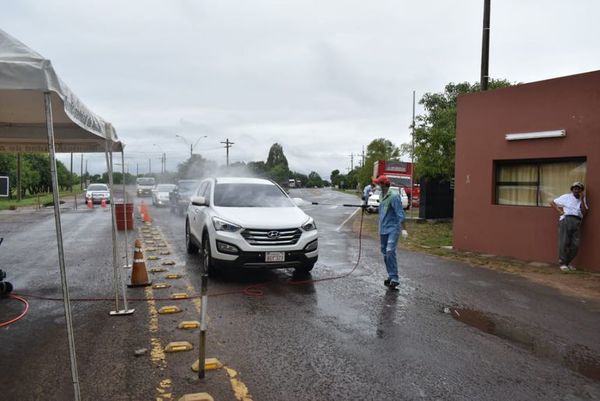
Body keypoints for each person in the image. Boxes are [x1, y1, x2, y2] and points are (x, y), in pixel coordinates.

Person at [375, 175, 408, 290]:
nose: (377, 186)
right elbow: (382, 212)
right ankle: (390, 275)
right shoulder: (381, 195)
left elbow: (400, 213)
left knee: (390, 251)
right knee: (385, 253)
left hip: (393, 229)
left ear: (384, 184)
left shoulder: (394, 197)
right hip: (383, 228)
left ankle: (395, 278)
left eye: (379, 184)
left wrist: (403, 229)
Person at [550, 181, 589, 272]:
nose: (576, 190)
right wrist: (560, 211)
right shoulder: (566, 197)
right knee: (564, 242)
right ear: (572, 189)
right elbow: (552, 202)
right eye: (575, 188)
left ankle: (567, 263)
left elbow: (585, 212)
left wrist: (582, 199)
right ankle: (562, 263)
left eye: (578, 188)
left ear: (581, 190)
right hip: (566, 219)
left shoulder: (582, 199)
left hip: (577, 221)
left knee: (576, 244)